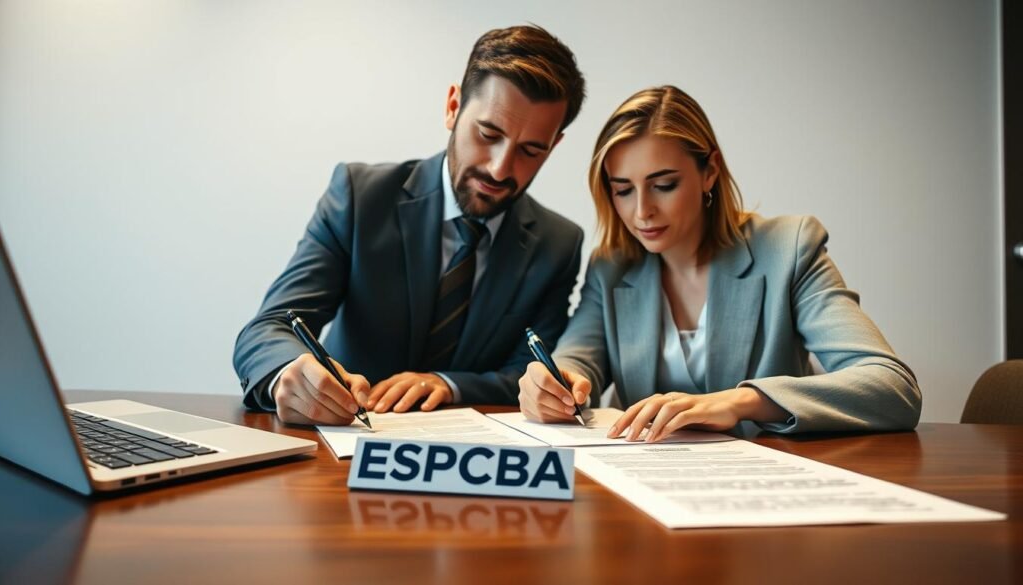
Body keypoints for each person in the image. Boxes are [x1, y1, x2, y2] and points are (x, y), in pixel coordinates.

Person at [518, 86, 921, 441]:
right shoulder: (611, 267)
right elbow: (576, 360)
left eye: (664, 185)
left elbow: (892, 387)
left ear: (709, 171)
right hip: (643, 490)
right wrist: (552, 384)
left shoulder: (788, 249)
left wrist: (743, 402)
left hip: (768, 491)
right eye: (623, 190)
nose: (642, 211)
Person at [234, 25, 586, 425]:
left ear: (554, 145)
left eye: (531, 150)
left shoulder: (559, 244)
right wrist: (287, 374)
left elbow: (530, 374)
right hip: (342, 438)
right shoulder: (360, 197)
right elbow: (269, 327)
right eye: (488, 133)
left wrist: (447, 383)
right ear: (453, 107)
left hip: (475, 459)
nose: (500, 167)